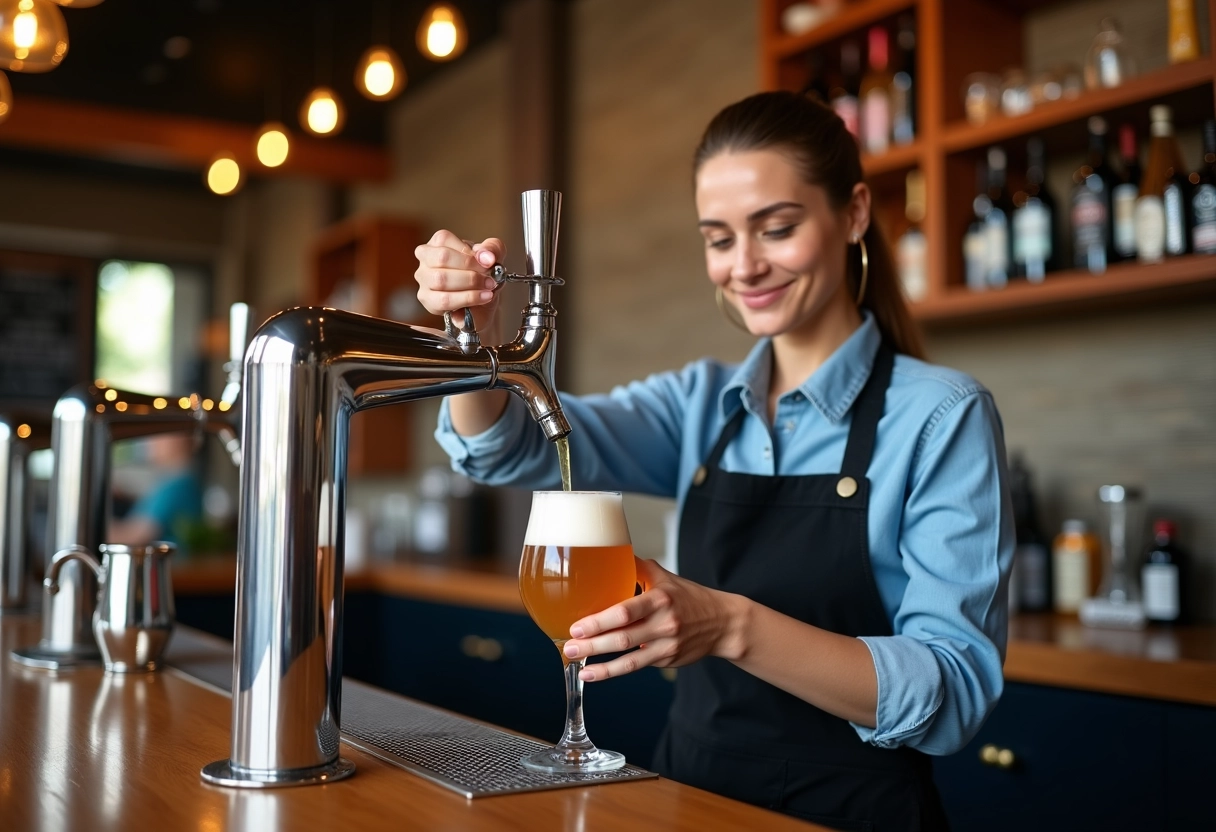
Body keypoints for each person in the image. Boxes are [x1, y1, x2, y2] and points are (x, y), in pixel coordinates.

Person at [415, 91, 1012, 830]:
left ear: (855, 213)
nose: (746, 266)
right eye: (719, 239)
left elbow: (952, 693)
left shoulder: (941, 415)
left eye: (777, 228)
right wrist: (474, 342)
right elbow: (508, 447)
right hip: (693, 798)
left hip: (857, 811)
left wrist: (730, 626)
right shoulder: (699, 404)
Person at [108, 432, 203, 548]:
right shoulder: (174, 482)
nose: (151, 442)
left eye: (159, 435)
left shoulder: (177, 486)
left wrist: (94, 525)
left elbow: (133, 537)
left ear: (181, 439)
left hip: (168, 560)